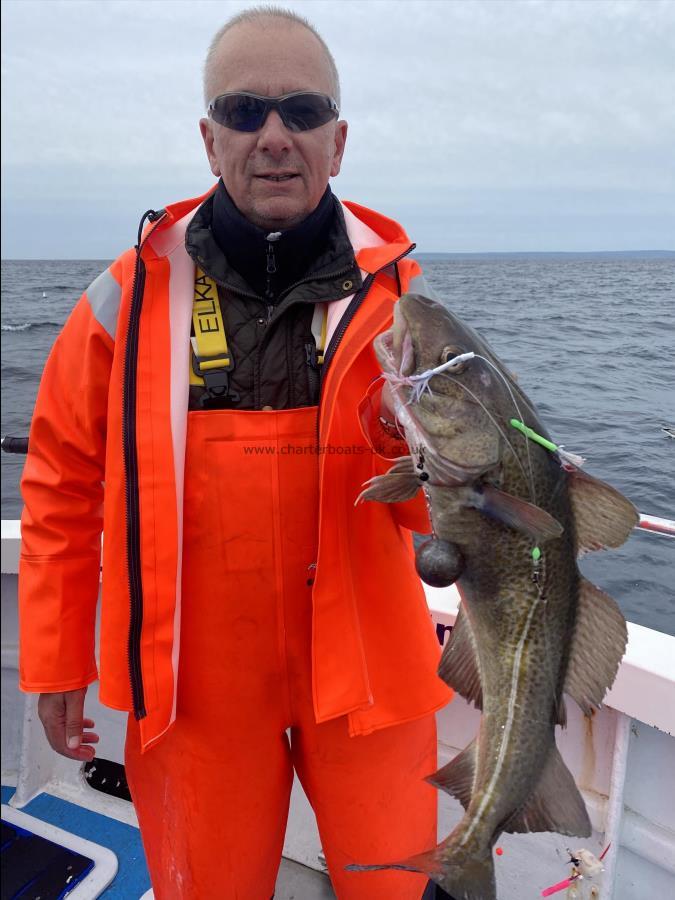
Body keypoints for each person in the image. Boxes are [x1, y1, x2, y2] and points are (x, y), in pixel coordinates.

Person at [18, 7, 454, 899]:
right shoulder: (122, 302)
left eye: (301, 110)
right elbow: (62, 486)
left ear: (338, 142)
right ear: (208, 138)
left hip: (371, 669)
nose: (274, 136)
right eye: (244, 110)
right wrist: (58, 660)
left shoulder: (408, 314)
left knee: (393, 884)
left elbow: (442, 505)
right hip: (190, 685)